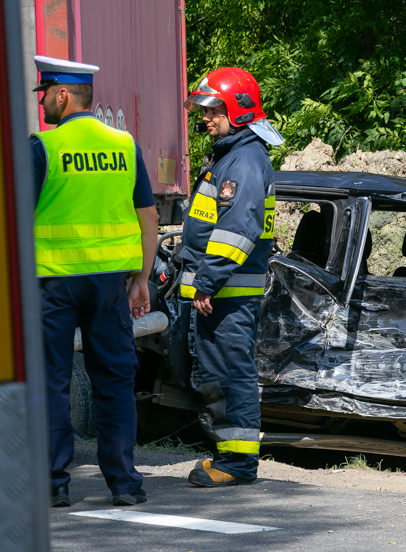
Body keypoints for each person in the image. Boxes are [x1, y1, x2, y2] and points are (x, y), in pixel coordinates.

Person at [30, 55, 158, 507]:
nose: (41, 101)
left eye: (43, 93)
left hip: (53, 285)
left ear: (61, 95)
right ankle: (124, 483)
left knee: (52, 381)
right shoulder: (124, 145)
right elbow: (149, 216)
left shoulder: (42, 147)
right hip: (110, 286)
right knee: (115, 381)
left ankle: (53, 484)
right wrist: (142, 277)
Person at [180, 67, 283, 487]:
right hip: (221, 293)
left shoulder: (244, 160)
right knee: (219, 373)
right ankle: (229, 457)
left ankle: (238, 465)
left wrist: (208, 282)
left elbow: (237, 231)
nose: (205, 118)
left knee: (231, 375)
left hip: (227, 295)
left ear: (239, 111)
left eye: (213, 109)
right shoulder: (232, 154)